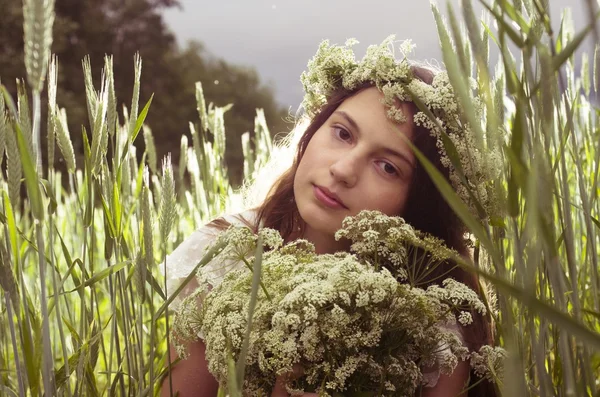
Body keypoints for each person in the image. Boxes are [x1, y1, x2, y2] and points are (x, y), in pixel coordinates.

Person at [160, 36, 499, 397]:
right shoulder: (224, 257)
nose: (343, 169)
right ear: (313, 130)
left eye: (387, 166)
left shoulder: (435, 320)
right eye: (342, 133)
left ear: (421, 202)